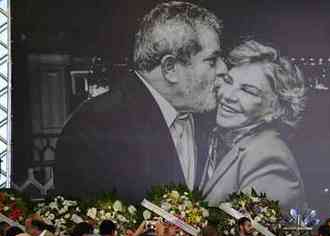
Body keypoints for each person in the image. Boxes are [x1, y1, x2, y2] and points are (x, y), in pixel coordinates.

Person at [55, 1, 226, 201]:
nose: (224, 69)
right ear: (170, 68)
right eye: (212, 61)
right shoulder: (92, 130)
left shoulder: (209, 120)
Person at [199, 40, 307, 208]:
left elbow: (250, 232)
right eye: (228, 81)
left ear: (275, 110)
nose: (227, 95)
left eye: (247, 90)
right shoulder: (220, 139)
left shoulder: (270, 158)